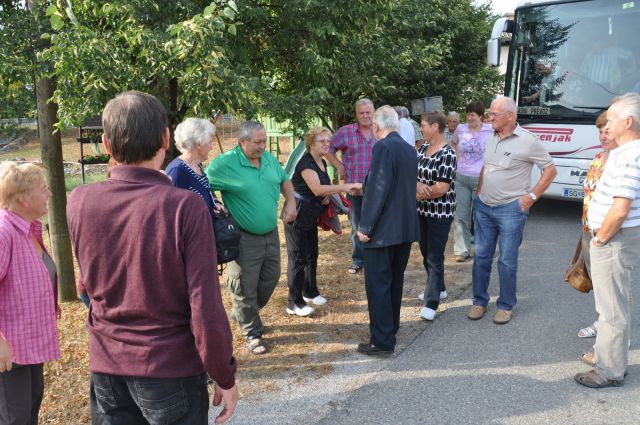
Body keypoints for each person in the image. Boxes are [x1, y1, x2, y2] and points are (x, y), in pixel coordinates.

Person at [67, 91, 238, 424]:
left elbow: (85, 285)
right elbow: (205, 304)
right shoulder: (183, 207)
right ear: (164, 139)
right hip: (168, 367)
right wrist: (224, 372)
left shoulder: (80, 201)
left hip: (107, 366)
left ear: (105, 143)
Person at [206, 121, 296, 354]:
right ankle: (252, 333)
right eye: (257, 142)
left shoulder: (267, 159)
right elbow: (202, 186)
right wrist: (215, 207)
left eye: (264, 141)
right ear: (242, 142)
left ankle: (243, 313)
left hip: (271, 234)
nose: (262, 146)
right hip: (244, 237)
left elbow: (284, 179)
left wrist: (291, 202)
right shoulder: (225, 164)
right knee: (244, 286)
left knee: (271, 277)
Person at [467, 96, 557, 324]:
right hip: (484, 208)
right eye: (490, 113)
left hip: (511, 210)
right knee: (481, 257)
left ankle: (506, 305)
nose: (490, 117)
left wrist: (531, 198)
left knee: (507, 260)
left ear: (510, 115)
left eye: (494, 114)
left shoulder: (528, 141)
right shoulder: (490, 137)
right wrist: (478, 193)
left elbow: (550, 170)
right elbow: (485, 168)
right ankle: (479, 301)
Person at [575, 92, 640, 388]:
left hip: (613, 239)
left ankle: (609, 371)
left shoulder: (629, 154)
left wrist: (600, 238)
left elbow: (621, 207)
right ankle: (611, 360)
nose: (607, 124)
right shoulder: (624, 151)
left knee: (611, 307)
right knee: (615, 303)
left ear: (628, 122)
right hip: (615, 237)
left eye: (612, 119)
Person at [355, 105, 420, 355]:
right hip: (404, 228)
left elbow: (379, 189)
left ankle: (382, 342)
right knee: (394, 281)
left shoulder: (382, 147)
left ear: (377, 126)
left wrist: (365, 226)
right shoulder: (407, 148)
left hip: (382, 232)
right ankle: (390, 328)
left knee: (378, 285)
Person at [0, 162, 60, 425]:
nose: (50, 194)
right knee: (15, 419)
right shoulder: (4, 233)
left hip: (28, 347)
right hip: (7, 353)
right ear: (23, 198)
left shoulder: (30, 230)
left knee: (28, 413)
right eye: (44, 189)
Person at [285, 127, 362, 316]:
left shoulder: (320, 161)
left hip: (311, 214)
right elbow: (318, 189)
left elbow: (320, 192)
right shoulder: (306, 163)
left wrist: (329, 198)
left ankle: (310, 291)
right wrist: (344, 186)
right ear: (311, 143)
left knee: (312, 253)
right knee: (298, 258)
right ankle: (294, 303)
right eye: (323, 141)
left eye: (328, 141)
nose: (327, 144)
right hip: (298, 214)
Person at [577, 112, 618, 339]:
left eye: (607, 131)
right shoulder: (597, 157)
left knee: (610, 286)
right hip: (588, 229)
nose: (603, 136)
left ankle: (614, 333)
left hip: (608, 233)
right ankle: (601, 322)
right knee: (597, 282)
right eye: (600, 132)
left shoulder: (621, 160)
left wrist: (602, 234)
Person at [415, 111, 457, 321]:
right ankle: (439, 288)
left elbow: (441, 188)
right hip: (421, 211)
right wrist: (417, 185)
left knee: (434, 255)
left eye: (423, 125)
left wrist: (417, 192)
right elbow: (412, 173)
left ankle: (432, 302)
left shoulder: (448, 153)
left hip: (440, 213)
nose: (421, 128)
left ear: (435, 126)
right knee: (425, 252)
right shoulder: (422, 147)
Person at [326, 98, 376, 275]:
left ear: (373, 113)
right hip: (353, 188)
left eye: (368, 112)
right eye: (361, 112)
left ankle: (375, 260)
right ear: (356, 114)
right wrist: (338, 165)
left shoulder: (380, 131)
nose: (365, 116)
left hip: (378, 190)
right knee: (357, 226)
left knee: (377, 225)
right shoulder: (346, 132)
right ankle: (358, 260)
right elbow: (328, 149)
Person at [451, 101, 493, 262]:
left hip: (480, 178)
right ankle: (462, 250)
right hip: (461, 177)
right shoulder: (461, 129)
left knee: (480, 215)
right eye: (467, 114)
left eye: (473, 115)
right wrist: (457, 157)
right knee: (461, 215)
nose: (469, 118)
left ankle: (482, 249)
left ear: (481, 116)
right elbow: (454, 142)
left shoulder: (489, 130)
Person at [165, 117, 224, 218]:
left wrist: (215, 204)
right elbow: (172, 213)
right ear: (199, 144)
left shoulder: (196, 165)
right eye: (209, 142)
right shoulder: (177, 171)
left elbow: (205, 194)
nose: (211, 147)